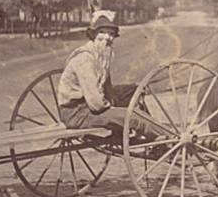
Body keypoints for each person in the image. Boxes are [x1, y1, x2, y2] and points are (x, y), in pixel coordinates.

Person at [57, 10, 165, 140]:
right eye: (102, 32)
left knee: (134, 89)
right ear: (93, 34)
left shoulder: (102, 54)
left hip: (88, 105)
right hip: (77, 113)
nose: (107, 37)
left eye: (111, 34)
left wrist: (113, 97)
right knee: (134, 116)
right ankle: (169, 137)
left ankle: (150, 134)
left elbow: (106, 82)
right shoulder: (85, 58)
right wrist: (113, 108)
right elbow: (96, 103)